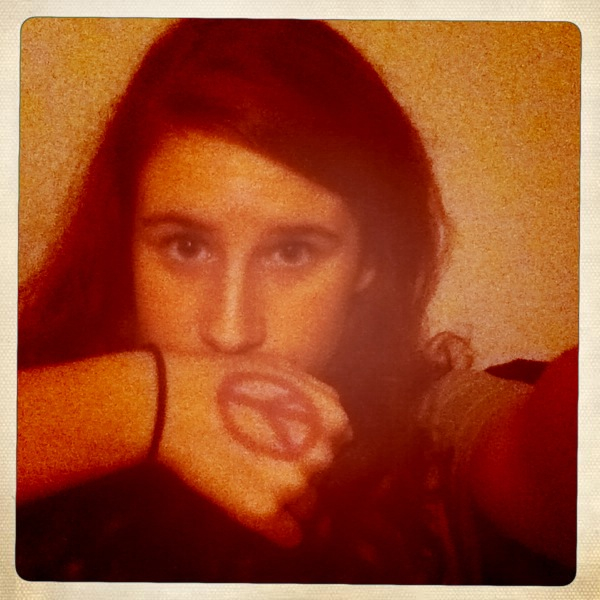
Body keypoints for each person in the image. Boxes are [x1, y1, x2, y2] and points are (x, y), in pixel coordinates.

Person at [17, 19, 577, 584]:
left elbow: (555, 466)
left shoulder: (434, 432)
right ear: (124, 242)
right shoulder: (48, 375)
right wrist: (137, 403)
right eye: (186, 246)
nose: (231, 330)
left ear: (369, 261)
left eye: (292, 252)